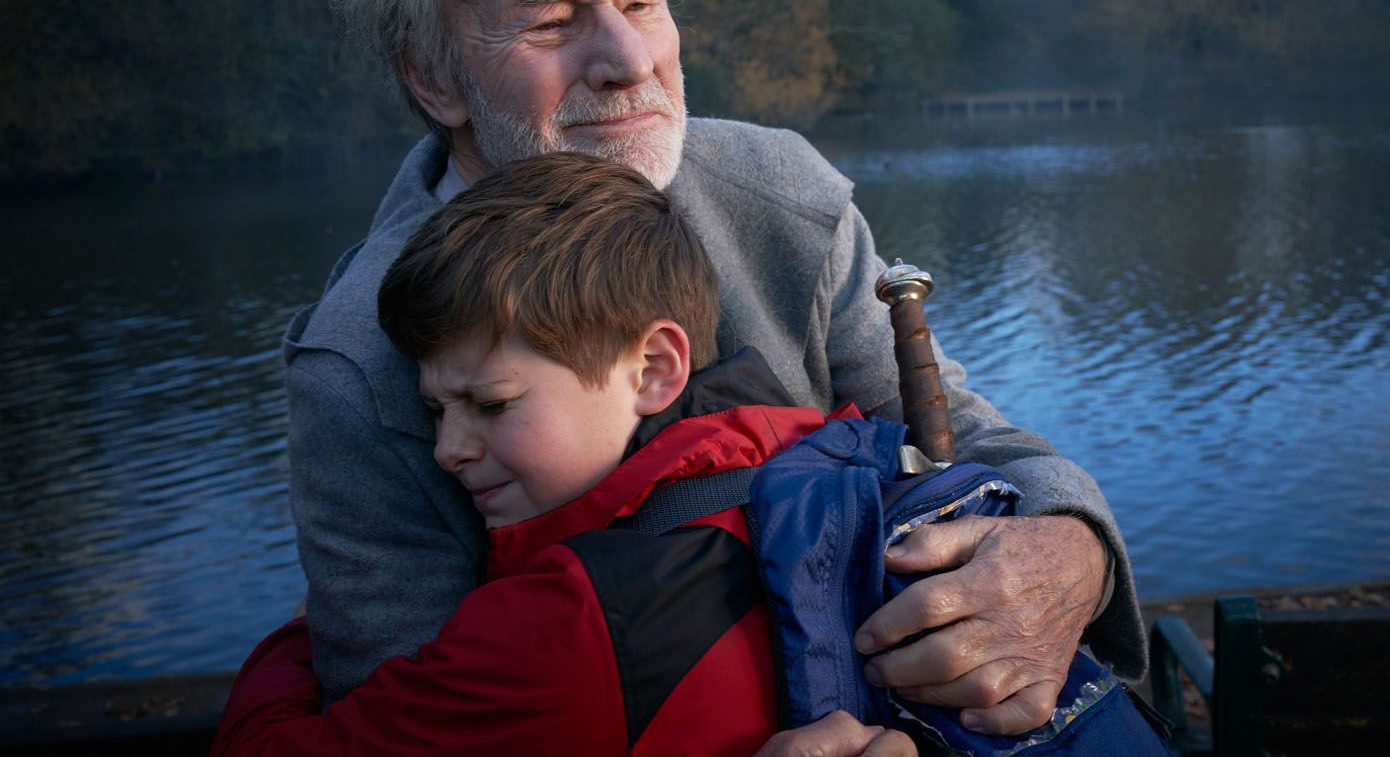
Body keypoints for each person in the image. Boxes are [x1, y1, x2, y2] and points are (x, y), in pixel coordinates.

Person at [286, 0, 1146, 731]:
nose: (628, 58)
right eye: (549, 20)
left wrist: (1073, 550)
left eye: (643, 1)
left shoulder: (784, 198)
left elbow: (970, 443)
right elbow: (411, 729)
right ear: (434, 77)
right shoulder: (357, 364)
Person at [214, 153, 917, 755]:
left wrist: (300, 634)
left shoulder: (563, 627)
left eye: (491, 404)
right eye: (434, 412)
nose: (448, 450)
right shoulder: (822, 457)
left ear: (651, 368)